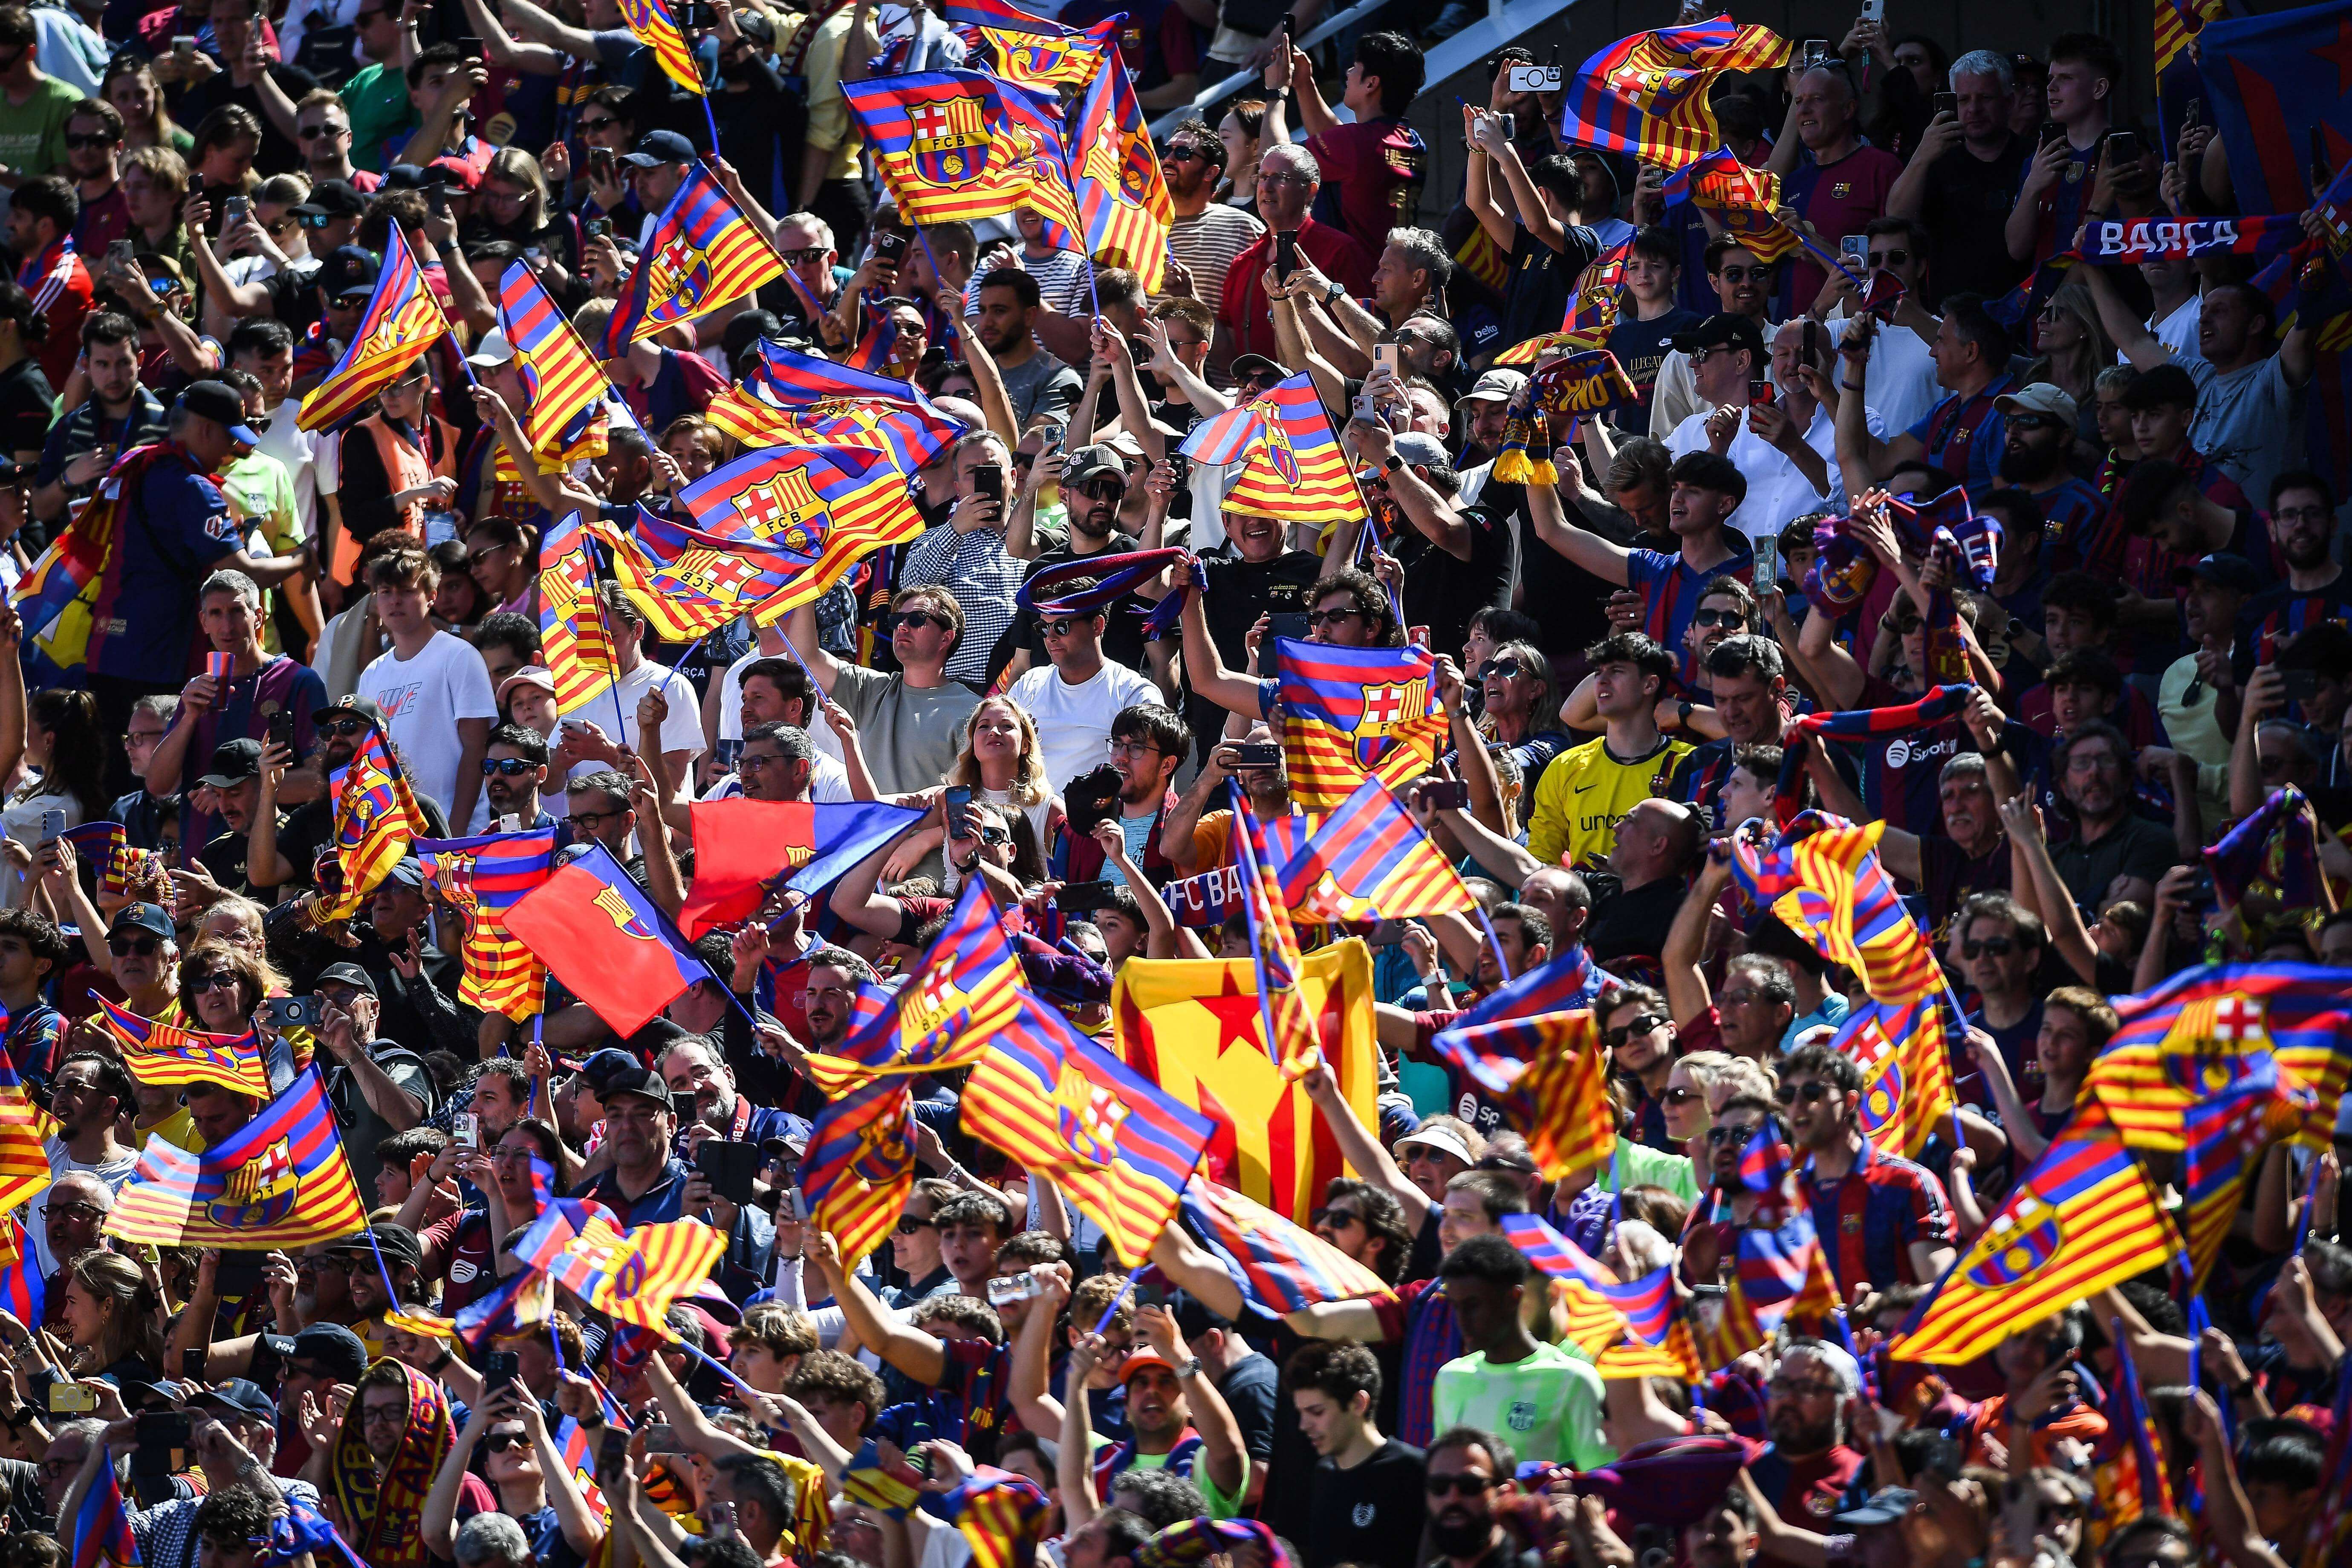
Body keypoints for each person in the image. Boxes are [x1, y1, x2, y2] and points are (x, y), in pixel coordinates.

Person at [1428, 1235, 1609, 1470]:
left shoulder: (1573, 1380)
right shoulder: (1450, 1377)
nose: (1462, 1321)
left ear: (1513, 1298)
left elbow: (1600, 1479)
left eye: (1473, 1306)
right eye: (1456, 1306)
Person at [353, 545, 497, 831]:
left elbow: (476, 749)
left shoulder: (460, 656)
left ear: (432, 596)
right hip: (392, 837)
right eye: (386, 592)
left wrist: (453, 835)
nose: (395, 601)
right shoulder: (372, 673)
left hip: (454, 832)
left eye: (407, 591)